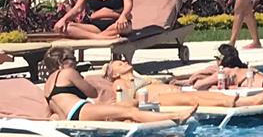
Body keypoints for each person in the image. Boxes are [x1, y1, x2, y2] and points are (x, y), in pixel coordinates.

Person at [40, 47, 193, 124]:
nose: (76, 62)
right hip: (80, 110)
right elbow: (92, 93)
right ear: (61, 62)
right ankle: (174, 117)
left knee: (124, 109)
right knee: (129, 111)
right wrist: (81, 79)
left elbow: (52, 109)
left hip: (69, 118)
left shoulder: (48, 84)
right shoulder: (68, 73)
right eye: (73, 59)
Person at [103, 57, 263, 113]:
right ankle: (250, 102)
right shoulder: (120, 82)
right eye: (119, 64)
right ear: (115, 74)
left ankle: (247, 101)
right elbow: (123, 100)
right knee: (197, 98)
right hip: (159, 101)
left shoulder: (138, 76)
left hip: (175, 92)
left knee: (204, 95)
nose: (124, 62)